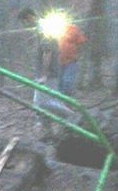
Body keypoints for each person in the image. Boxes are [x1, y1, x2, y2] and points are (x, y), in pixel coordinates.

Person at [18, 7, 78, 139]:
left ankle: (73, 117)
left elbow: (47, 52)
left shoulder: (43, 28)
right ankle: (48, 133)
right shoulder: (41, 28)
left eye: (24, 22)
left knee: (42, 103)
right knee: (41, 103)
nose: (25, 25)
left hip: (48, 74)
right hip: (45, 73)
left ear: (29, 17)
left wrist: (44, 75)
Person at [57, 22, 87, 96]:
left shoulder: (74, 29)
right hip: (58, 61)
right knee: (59, 81)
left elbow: (82, 42)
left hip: (71, 61)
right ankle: (59, 98)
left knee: (68, 81)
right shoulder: (54, 29)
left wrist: (79, 55)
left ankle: (67, 98)